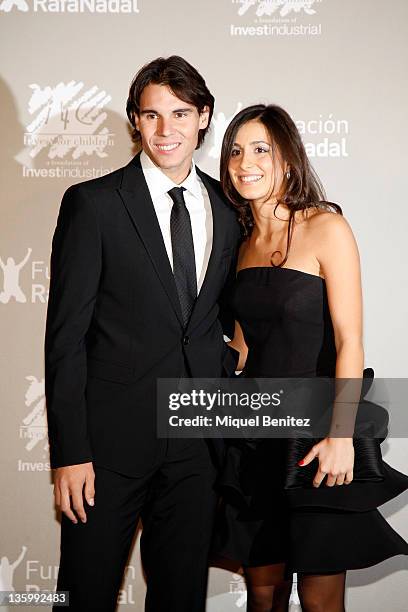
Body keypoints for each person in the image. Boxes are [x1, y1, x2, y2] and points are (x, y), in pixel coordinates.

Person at [44, 55, 241, 611]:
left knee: (180, 599)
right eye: (151, 115)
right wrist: (70, 452)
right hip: (106, 450)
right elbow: (65, 339)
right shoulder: (94, 205)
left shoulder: (229, 210)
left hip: (197, 449)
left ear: (203, 117)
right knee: (83, 596)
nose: (166, 130)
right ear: (135, 121)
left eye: (180, 113)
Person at [212, 104, 408, 611]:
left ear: (289, 162)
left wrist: (340, 435)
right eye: (235, 150)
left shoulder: (326, 228)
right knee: (263, 593)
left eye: (261, 149)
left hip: (317, 432)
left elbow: (350, 341)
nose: (244, 161)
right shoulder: (240, 243)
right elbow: (244, 346)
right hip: (256, 436)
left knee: (320, 600)